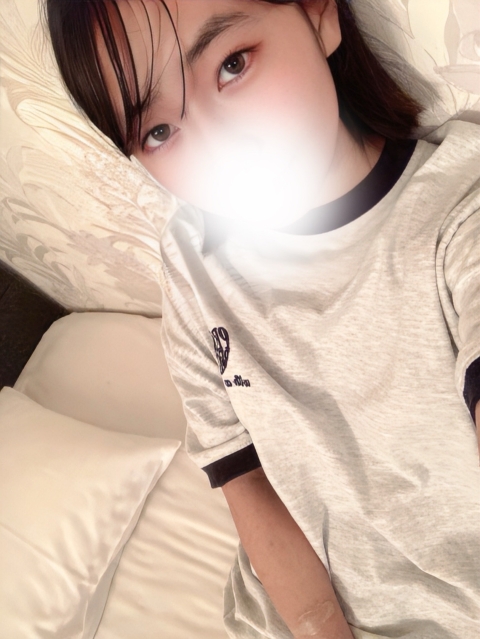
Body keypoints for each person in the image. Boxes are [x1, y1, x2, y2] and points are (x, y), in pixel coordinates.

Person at [45, 1, 480, 637]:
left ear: (319, 14)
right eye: (159, 131)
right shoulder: (192, 262)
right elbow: (244, 477)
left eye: (233, 65)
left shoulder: (457, 209)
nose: (218, 151)